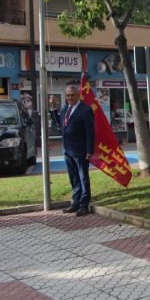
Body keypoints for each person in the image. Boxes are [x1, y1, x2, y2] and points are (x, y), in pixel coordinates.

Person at [50, 85, 95, 217]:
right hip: (68, 150)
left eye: (72, 95)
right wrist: (53, 108)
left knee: (83, 178)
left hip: (81, 150)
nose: (70, 98)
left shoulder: (85, 110)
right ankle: (75, 203)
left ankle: (84, 205)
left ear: (78, 95)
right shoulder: (65, 109)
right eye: (68, 95)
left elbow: (90, 132)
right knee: (73, 178)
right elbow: (60, 123)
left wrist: (89, 150)